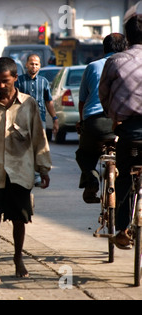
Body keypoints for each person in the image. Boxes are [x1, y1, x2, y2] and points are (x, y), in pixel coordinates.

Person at [0, 57, 52, 285]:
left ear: (15, 78)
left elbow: (39, 138)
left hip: (20, 171)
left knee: (19, 220)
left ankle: (18, 257)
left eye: (5, 81)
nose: (1, 86)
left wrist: (43, 168)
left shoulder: (29, 104)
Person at [99, 3, 142, 249]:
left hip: (128, 133)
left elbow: (103, 94)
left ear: (128, 38)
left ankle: (123, 228)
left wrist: (113, 115)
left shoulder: (115, 61)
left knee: (124, 177)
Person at [76, 33, 127, 204]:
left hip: (95, 123)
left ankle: (91, 179)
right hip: (123, 122)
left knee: (85, 154)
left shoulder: (92, 67)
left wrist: (82, 122)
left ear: (104, 48)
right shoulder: (130, 65)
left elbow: (82, 101)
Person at [16, 54, 57, 186]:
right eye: (31, 63)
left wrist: (55, 118)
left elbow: (48, 101)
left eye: (36, 64)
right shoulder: (19, 81)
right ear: (26, 65)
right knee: (24, 146)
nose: (34, 66)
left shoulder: (44, 82)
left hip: (41, 119)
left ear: (40, 66)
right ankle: (24, 173)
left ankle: (38, 175)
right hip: (22, 119)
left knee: (39, 147)